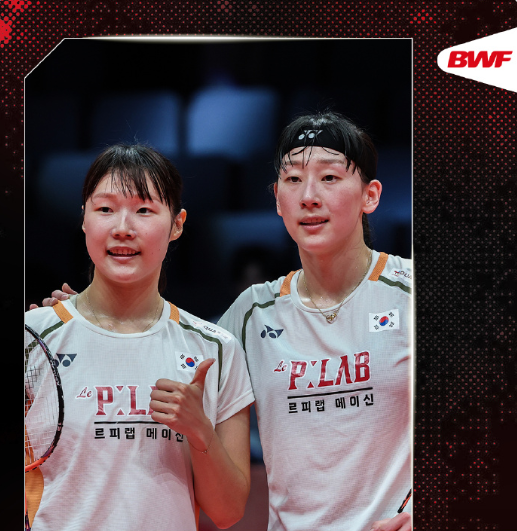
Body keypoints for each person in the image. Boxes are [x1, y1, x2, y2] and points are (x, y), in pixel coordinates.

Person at [35, 111, 412, 531]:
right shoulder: (249, 316)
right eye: (293, 179)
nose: (309, 196)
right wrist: (74, 322)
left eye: (329, 177)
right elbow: (161, 337)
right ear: (277, 199)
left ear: (370, 196)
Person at [25, 144, 254, 531]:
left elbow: (228, 511)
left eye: (144, 210)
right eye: (105, 209)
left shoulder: (215, 349)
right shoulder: (32, 339)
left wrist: (199, 430)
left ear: (177, 224)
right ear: (84, 219)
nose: (122, 228)